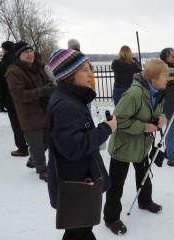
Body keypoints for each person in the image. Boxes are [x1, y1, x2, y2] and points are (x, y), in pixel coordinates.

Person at [46, 48, 117, 240]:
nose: (91, 73)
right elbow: (74, 148)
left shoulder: (70, 99)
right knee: (79, 232)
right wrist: (106, 129)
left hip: (78, 180)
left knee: (80, 231)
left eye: (90, 68)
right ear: (69, 75)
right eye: (85, 69)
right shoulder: (66, 105)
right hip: (76, 184)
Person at [103, 59, 168, 235]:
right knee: (117, 184)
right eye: (165, 75)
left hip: (142, 145)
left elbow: (157, 111)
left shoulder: (157, 91)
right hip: (123, 147)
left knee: (144, 175)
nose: (168, 79)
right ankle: (111, 218)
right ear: (153, 78)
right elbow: (118, 120)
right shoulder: (134, 94)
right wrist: (144, 127)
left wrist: (160, 117)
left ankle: (145, 201)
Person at [6, 41, 56, 181]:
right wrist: (43, 91)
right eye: (26, 52)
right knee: (36, 145)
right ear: (18, 55)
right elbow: (19, 95)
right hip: (29, 114)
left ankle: (33, 161)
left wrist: (50, 86)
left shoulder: (37, 67)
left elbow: (47, 81)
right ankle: (42, 170)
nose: (30, 54)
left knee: (47, 140)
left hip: (44, 110)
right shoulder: (14, 72)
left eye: (31, 51)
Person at [0, 40, 29, 157]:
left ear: (5, 49)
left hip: (10, 100)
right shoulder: (21, 62)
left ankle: (22, 148)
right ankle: (33, 143)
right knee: (28, 121)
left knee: (16, 124)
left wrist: (0, 102)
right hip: (25, 97)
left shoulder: (0, 65)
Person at [67, 39, 95, 114]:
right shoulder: (85, 58)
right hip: (87, 89)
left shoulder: (69, 60)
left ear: (69, 48)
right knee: (87, 113)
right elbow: (91, 71)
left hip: (76, 91)